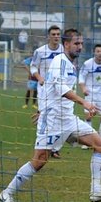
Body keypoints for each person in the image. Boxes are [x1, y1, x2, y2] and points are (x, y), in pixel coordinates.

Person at [0, 29, 101, 202]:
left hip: (68, 119)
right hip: (53, 121)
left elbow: (51, 88)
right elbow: (59, 87)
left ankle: (96, 191)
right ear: (66, 44)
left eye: (81, 44)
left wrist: (43, 108)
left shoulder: (71, 64)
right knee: (39, 161)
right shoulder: (59, 62)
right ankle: (6, 193)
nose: (80, 47)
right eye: (76, 44)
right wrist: (83, 103)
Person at [30, 25, 63, 158]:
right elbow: (33, 67)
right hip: (44, 89)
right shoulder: (40, 51)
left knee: (60, 117)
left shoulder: (64, 50)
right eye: (53, 34)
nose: (56, 36)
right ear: (48, 36)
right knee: (44, 117)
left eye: (58, 34)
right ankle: (42, 146)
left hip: (60, 89)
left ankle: (54, 148)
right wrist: (39, 77)